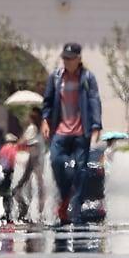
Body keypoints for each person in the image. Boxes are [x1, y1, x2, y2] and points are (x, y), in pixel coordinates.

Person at [41, 42, 103, 226]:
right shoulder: (56, 77)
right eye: (64, 58)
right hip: (60, 130)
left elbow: (94, 100)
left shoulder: (87, 77)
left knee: (82, 170)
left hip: (80, 131)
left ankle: (73, 208)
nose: (66, 62)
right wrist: (45, 120)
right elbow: (48, 101)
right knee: (56, 160)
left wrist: (96, 125)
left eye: (70, 59)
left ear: (78, 59)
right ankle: (66, 196)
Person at [12, 108, 45, 223]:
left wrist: (18, 142)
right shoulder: (40, 129)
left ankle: (29, 212)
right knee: (37, 185)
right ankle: (36, 213)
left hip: (30, 156)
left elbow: (23, 142)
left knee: (31, 184)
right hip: (36, 157)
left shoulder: (32, 128)